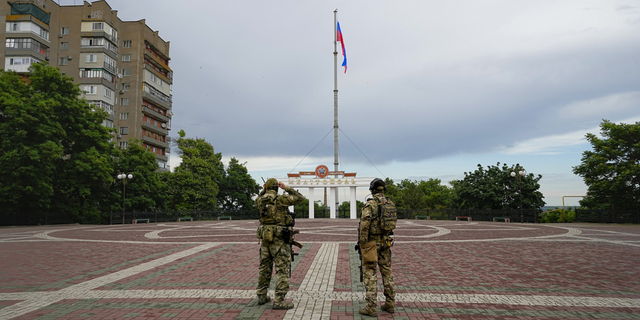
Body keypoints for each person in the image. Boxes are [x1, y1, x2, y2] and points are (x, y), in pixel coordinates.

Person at [255, 178, 306, 309]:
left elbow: (258, 198)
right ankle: (279, 300)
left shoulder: (260, 200)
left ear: (266, 187)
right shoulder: (280, 199)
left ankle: (261, 296)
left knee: (264, 268)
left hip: (265, 238)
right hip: (279, 240)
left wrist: (263, 189)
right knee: (282, 269)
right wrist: (287, 188)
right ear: (277, 187)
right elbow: (300, 198)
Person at [358, 178, 396, 316]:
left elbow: (364, 225)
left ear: (372, 190)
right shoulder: (390, 203)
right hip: (386, 243)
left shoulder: (370, 205)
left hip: (372, 244)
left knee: (370, 273)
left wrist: (362, 243)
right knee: (387, 272)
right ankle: (390, 304)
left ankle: (370, 307)